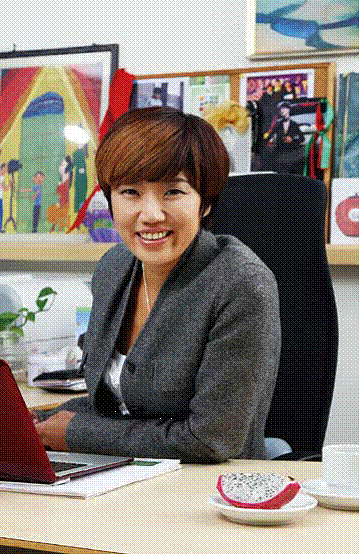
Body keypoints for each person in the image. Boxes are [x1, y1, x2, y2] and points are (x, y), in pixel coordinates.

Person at [33, 107, 281, 462]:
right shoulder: (114, 267)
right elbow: (113, 404)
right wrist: (36, 422)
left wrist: (76, 433)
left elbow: (210, 440)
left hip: (203, 484)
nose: (150, 214)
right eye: (130, 192)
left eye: (173, 192)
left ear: (205, 203)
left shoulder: (241, 284)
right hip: (118, 473)